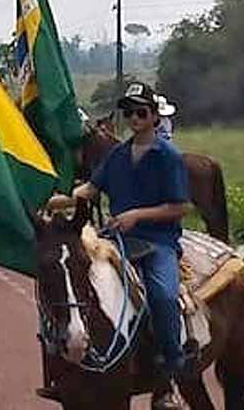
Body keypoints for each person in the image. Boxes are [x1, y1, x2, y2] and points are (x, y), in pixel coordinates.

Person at [72, 82, 191, 410]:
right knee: (79, 286)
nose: (134, 118)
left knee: (164, 297)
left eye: (142, 112)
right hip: (116, 241)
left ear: (154, 116)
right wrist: (55, 200)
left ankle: (170, 371)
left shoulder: (168, 156)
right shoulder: (118, 154)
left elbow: (181, 207)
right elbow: (92, 189)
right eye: (129, 112)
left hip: (157, 243)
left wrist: (138, 215)